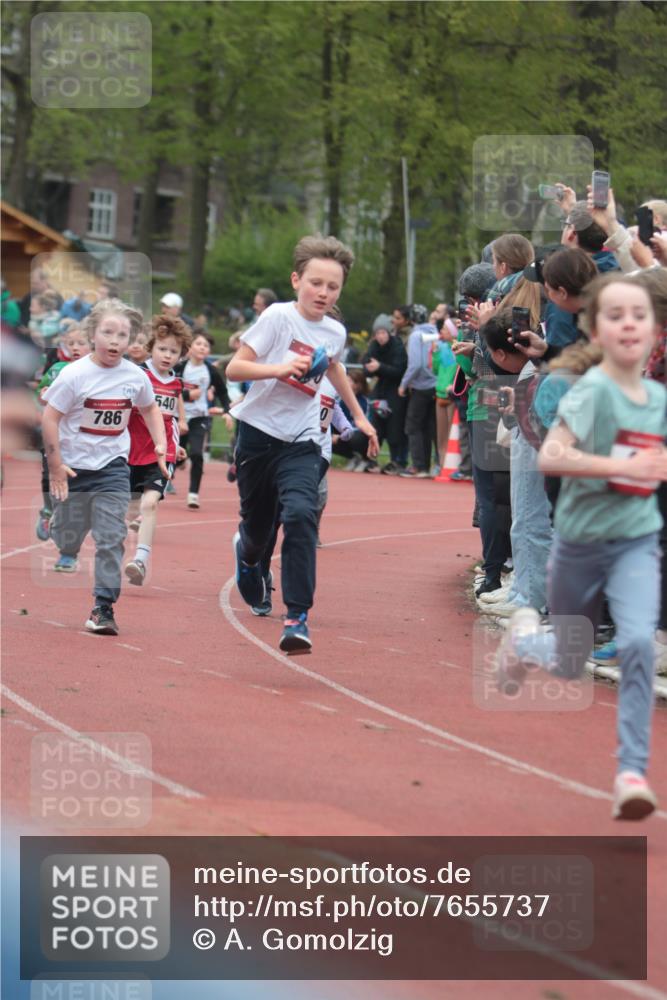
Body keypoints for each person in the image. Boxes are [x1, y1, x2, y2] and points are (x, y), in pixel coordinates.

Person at [497, 274, 667, 820]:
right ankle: (526, 643)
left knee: (640, 644)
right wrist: (623, 467)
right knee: (570, 664)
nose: (630, 325)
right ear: (595, 329)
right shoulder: (590, 389)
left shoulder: (659, 399)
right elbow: (552, 456)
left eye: (640, 316)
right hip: (580, 541)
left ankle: (632, 774)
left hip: (636, 542)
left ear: (655, 330)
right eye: (616, 315)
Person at [225, 234, 379, 653]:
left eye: (333, 287)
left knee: (300, 516)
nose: (324, 293)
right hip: (258, 435)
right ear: (297, 280)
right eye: (316, 283)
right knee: (258, 532)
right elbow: (235, 369)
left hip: (304, 440)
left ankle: (296, 617)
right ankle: (249, 555)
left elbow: (334, 369)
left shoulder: (335, 330)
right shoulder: (277, 317)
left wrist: (361, 418)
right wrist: (278, 369)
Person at [41, 299, 168, 635]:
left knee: (112, 537)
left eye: (122, 334)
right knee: (67, 537)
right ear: (92, 334)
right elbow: (49, 418)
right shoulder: (74, 375)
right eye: (107, 332)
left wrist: (160, 444)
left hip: (112, 466)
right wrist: (55, 466)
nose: (114, 340)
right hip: (72, 468)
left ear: (132, 341)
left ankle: (103, 608)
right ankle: (60, 529)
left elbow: (150, 409)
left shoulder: (134, 376)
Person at [125, 315, 191, 585]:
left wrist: (179, 441)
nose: (167, 355)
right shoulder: (137, 374)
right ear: (151, 347)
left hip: (162, 453)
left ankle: (140, 560)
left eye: (174, 351)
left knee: (150, 503)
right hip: (130, 450)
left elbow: (174, 409)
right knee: (130, 509)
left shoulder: (175, 382)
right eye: (162, 349)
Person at [34, 326, 91, 544]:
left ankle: (65, 517)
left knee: (76, 481)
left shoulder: (98, 372)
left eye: (81, 343)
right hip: (55, 434)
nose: (75, 348)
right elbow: (42, 395)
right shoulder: (58, 368)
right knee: (49, 473)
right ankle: (48, 511)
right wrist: (48, 395)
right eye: (71, 344)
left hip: (83, 438)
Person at [174, 331, 233, 508]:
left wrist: (227, 411)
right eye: (198, 343)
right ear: (190, 347)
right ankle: (178, 464)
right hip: (180, 417)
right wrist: (187, 395)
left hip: (200, 417)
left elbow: (223, 393)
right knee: (176, 454)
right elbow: (168, 388)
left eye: (206, 345)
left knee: (197, 454)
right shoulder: (180, 368)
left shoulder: (211, 371)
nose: (202, 347)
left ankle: (193, 494)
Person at [363, 313, 408, 474]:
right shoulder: (374, 346)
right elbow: (366, 365)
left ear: (389, 332)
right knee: (376, 425)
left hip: (395, 390)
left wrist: (380, 367)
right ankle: (372, 458)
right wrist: (369, 368)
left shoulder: (397, 346)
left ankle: (397, 460)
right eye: (377, 333)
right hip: (380, 390)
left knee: (395, 427)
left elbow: (399, 370)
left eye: (383, 333)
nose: (380, 337)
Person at [398, 304, 437, 477]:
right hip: (436, 384)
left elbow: (416, 364)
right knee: (429, 426)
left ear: (412, 319)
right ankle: (427, 465)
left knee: (413, 425)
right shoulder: (435, 332)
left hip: (421, 385)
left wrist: (404, 384)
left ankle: (418, 465)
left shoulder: (416, 335)